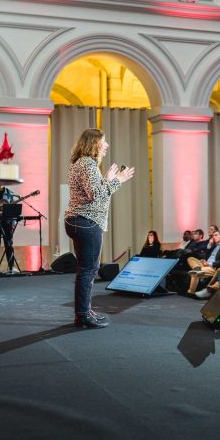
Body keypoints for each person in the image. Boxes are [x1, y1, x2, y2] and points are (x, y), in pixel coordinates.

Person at [64, 128, 134, 328]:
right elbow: (97, 196)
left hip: (77, 220)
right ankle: (83, 315)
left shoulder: (81, 163)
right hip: (86, 221)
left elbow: (93, 192)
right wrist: (118, 181)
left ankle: (84, 311)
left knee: (85, 269)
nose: (107, 146)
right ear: (94, 143)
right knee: (88, 270)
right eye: (104, 142)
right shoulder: (87, 163)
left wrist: (106, 179)